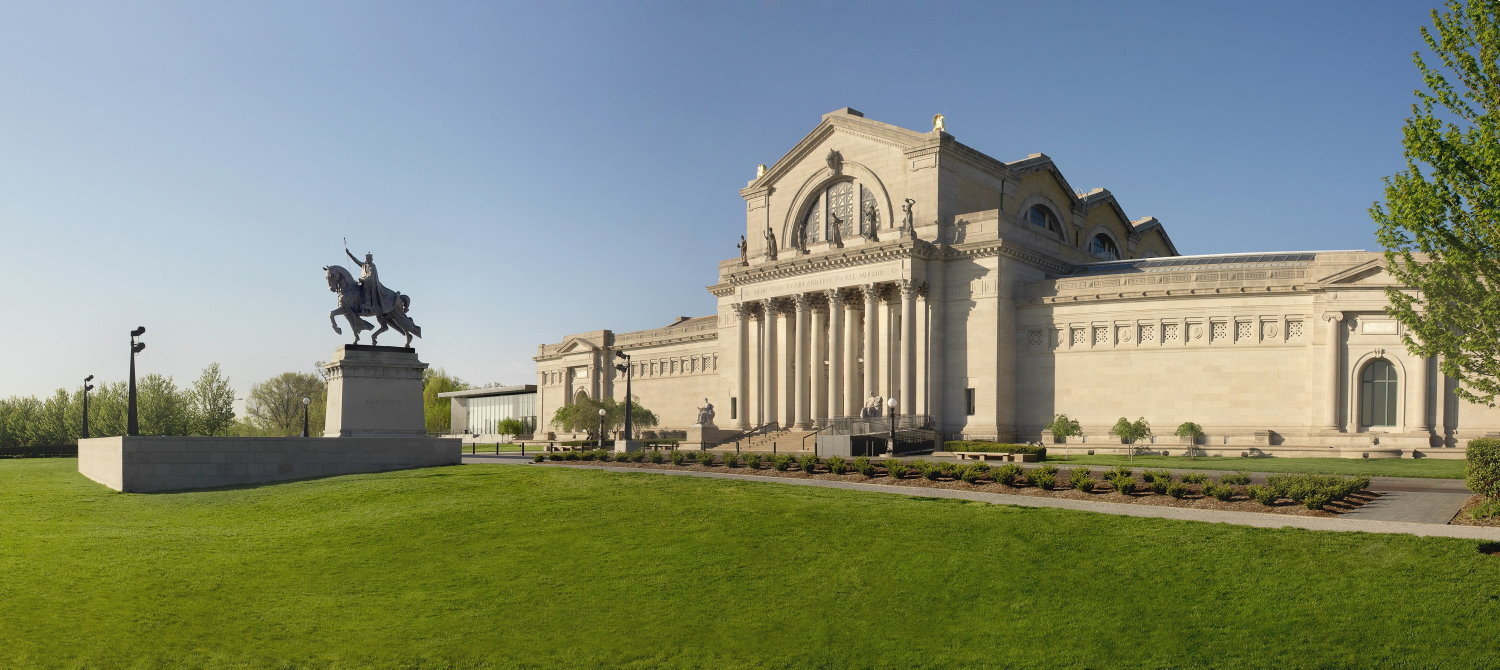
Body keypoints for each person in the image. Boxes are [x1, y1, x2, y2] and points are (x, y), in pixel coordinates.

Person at [345, 247, 396, 315]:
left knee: (367, 291)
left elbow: (371, 277)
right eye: (366, 258)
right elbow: (356, 261)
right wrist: (349, 254)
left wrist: (363, 280)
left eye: (369, 258)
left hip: (371, 283)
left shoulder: (372, 266)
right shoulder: (364, 265)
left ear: (371, 259)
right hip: (364, 282)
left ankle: (367, 307)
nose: (367, 260)